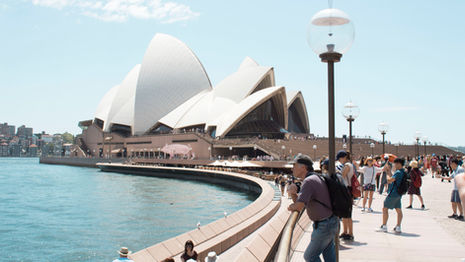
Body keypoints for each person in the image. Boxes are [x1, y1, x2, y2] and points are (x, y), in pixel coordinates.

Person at [287, 154, 338, 262]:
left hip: (325, 224)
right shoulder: (314, 177)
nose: (292, 168)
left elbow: (299, 206)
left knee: (309, 256)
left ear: (303, 167)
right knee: (329, 257)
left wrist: (290, 207)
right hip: (330, 221)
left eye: (294, 165)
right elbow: (301, 202)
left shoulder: (309, 181)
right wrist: (293, 194)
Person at [377, 158, 406, 233]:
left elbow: (389, 180)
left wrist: (386, 174)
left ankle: (384, 226)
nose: (394, 165)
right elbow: (394, 178)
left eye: (395, 163)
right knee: (398, 210)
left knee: (385, 208)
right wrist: (388, 171)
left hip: (393, 193)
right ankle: (398, 226)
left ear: (399, 164)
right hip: (399, 194)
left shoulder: (398, 172)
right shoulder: (402, 172)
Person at [336, 150, 355, 241]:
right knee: (344, 213)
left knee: (348, 213)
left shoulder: (347, 166)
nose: (339, 161)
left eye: (339, 159)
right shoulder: (347, 165)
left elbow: (341, 176)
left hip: (346, 190)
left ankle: (350, 233)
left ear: (343, 157)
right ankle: (345, 231)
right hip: (345, 190)